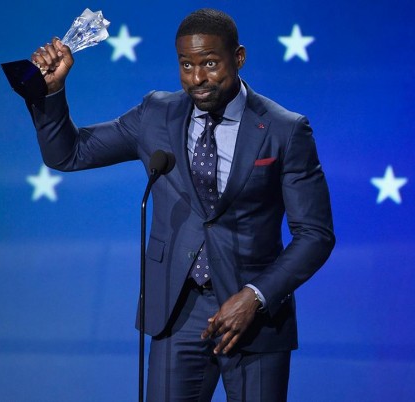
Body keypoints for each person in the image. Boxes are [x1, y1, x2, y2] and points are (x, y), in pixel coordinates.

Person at [24, 8, 335, 402]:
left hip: (253, 317)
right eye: (186, 65)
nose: (196, 79)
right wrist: (51, 93)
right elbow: (69, 154)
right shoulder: (156, 115)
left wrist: (255, 295)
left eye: (209, 64)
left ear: (238, 57)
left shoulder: (284, 129)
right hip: (176, 310)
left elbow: (315, 235)